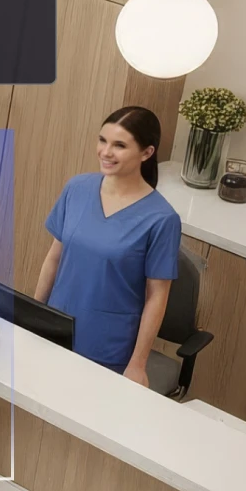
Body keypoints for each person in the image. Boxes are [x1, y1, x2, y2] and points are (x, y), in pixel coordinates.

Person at [33, 107, 181, 383]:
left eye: (119, 145)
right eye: (103, 140)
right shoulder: (77, 188)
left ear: (147, 153)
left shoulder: (162, 219)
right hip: (54, 327)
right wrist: (32, 314)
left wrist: (138, 363)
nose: (105, 152)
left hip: (106, 346)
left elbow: (157, 297)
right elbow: (54, 257)